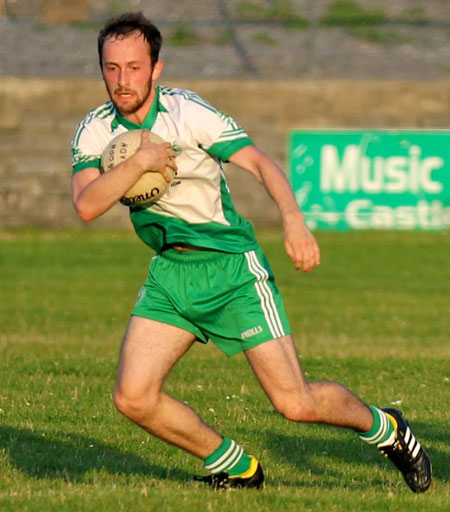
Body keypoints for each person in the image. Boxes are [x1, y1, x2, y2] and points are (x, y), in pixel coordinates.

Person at [71, 11, 431, 492]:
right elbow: (87, 205)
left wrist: (294, 220)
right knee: (133, 397)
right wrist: (140, 159)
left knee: (295, 403)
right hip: (171, 273)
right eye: (112, 68)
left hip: (232, 269)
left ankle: (387, 428)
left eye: (134, 67)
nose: (122, 80)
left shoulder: (188, 113)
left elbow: (260, 163)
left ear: (156, 69)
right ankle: (235, 465)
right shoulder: (95, 131)